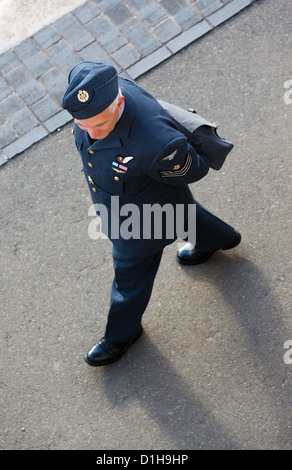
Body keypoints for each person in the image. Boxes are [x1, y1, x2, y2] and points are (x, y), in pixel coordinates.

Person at [62, 61, 241, 367]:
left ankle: (122, 333)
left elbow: (194, 168)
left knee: (129, 280)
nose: (92, 133)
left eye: (100, 125)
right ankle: (222, 239)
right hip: (155, 200)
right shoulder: (108, 94)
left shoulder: (159, 143)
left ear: (118, 102)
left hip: (139, 223)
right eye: (83, 124)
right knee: (182, 213)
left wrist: (160, 172)